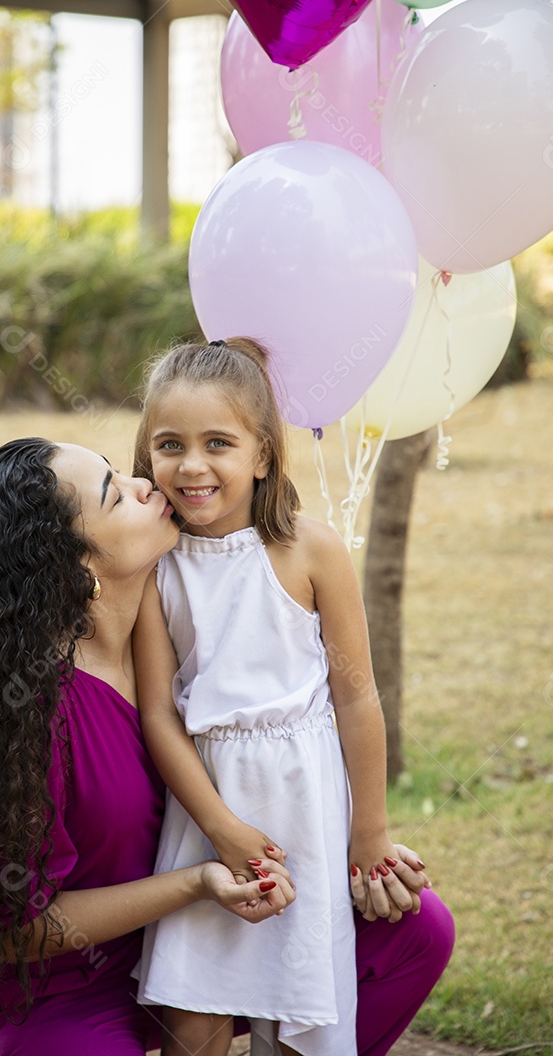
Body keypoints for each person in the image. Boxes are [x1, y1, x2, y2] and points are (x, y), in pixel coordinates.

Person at [0, 437, 296, 1056]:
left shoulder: (192, 623)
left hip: (200, 950)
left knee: (411, 936)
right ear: (73, 564)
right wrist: (195, 883)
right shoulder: (30, 713)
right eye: (116, 493)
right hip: (70, 994)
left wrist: (359, 851)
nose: (145, 484)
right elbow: (13, 934)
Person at [131, 338, 454, 1056]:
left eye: (218, 443)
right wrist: (221, 830)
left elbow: (356, 695)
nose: (191, 465)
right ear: (146, 454)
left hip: (305, 806)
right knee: (195, 1010)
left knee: (298, 1003)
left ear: (264, 455)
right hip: (207, 809)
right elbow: (159, 712)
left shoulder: (310, 549)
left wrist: (367, 830)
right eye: (169, 445)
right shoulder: (157, 564)